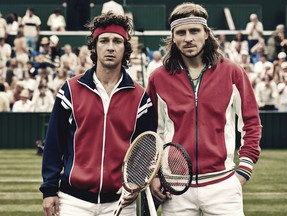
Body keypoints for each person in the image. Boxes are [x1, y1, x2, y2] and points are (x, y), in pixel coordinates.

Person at [147, 2, 262, 216]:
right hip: (176, 187)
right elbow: (154, 132)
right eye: (181, 32)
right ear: (173, 37)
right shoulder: (158, 78)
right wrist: (154, 175)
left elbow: (251, 122)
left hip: (223, 184)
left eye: (194, 31)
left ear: (206, 33)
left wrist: (244, 169)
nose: (188, 38)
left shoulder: (232, 72)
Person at [39, 11, 155, 216]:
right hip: (73, 200)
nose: (110, 47)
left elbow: (145, 149)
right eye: (104, 40)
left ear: (125, 48)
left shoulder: (140, 97)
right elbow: (54, 142)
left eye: (117, 41)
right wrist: (49, 189)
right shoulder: (70, 90)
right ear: (94, 46)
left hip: (120, 200)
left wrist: (135, 182)